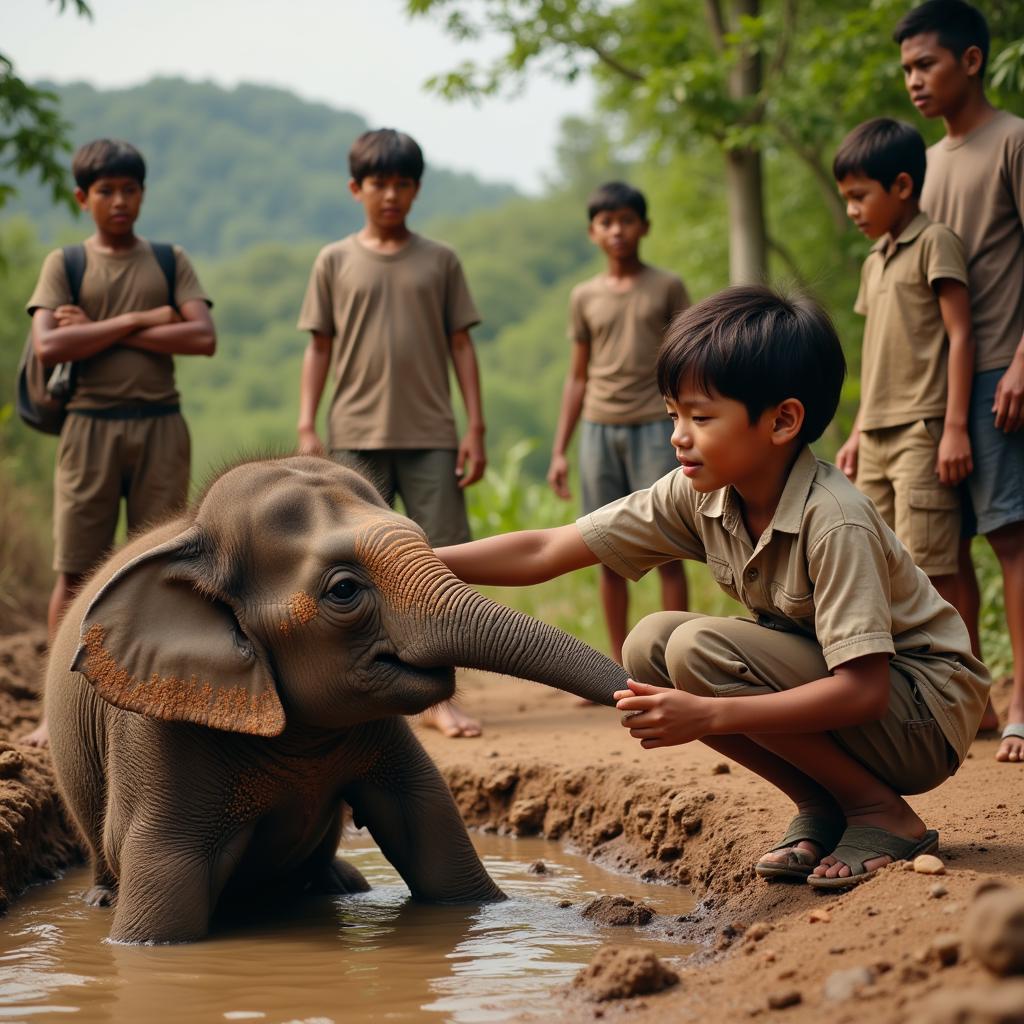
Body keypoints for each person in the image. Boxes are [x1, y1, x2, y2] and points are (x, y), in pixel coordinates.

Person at [437, 286, 989, 887]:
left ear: (782, 421)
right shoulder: (701, 491)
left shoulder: (834, 518)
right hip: (856, 700)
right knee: (650, 643)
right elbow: (547, 548)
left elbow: (864, 693)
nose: (678, 435)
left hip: (919, 718)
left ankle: (880, 813)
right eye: (674, 414)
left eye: (701, 417)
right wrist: (407, 556)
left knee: (696, 651)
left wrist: (709, 714)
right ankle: (825, 805)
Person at [22, 138, 216, 748]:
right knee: (76, 566)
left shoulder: (167, 259)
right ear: (84, 198)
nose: (119, 201)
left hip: (160, 423)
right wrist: (143, 320)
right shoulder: (66, 265)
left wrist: (98, 332)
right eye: (105, 191)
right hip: (89, 429)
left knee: (158, 565)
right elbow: (51, 345)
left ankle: (157, 705)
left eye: (129, 189)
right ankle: (58, 713)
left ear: (143, 194)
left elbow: (203, 337)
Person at [296, 127, 487, 738]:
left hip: (432, 430)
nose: (391, 194)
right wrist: (307, 421)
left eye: (403, 183)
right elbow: (318, 347)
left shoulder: (441, 260)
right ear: (357, 188)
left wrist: (474, 424)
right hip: (353, 432)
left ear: (417, 190)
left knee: (438, 560)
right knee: (353, 566)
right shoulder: (334, 260)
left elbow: (462, 344)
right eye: (380, 183)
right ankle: (363, 694)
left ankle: (438, 696)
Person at [896, 0, 1024, 762]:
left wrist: (1021, 362)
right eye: (907, 68)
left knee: (1011, 537)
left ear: (971, 61)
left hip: (998, 379)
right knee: (945, 551)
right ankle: (970, 695)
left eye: (927, 64)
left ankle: (1022, 703)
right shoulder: (923, 162)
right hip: (932, 391)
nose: (914, 80)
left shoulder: (1012, 141)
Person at [833, 118, 973, 611]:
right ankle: (911, 682)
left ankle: (960, 682)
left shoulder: (935, 241)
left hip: (920, 429)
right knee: (880, 562)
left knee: (933, 567)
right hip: (875, 436)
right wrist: (856, 432)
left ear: (902, 186)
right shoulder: (876, 259)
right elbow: (877, 352)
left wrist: (954, 427)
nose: (852, 210)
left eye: (860, 196)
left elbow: (961, 334)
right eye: (846, 198)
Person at [547, 181, 689, 665]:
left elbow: (687, 358)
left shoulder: (666, 286)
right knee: (602, 546)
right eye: (607, 222)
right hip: (599, 429)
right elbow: (577, 375)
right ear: (592, 232)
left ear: (643, 227)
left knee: (669, 542)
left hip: (656, 425)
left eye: (627, 220)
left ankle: (676, 662)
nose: (617, 231)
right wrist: (559, 450)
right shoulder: (583, 296)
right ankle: (612, 666)